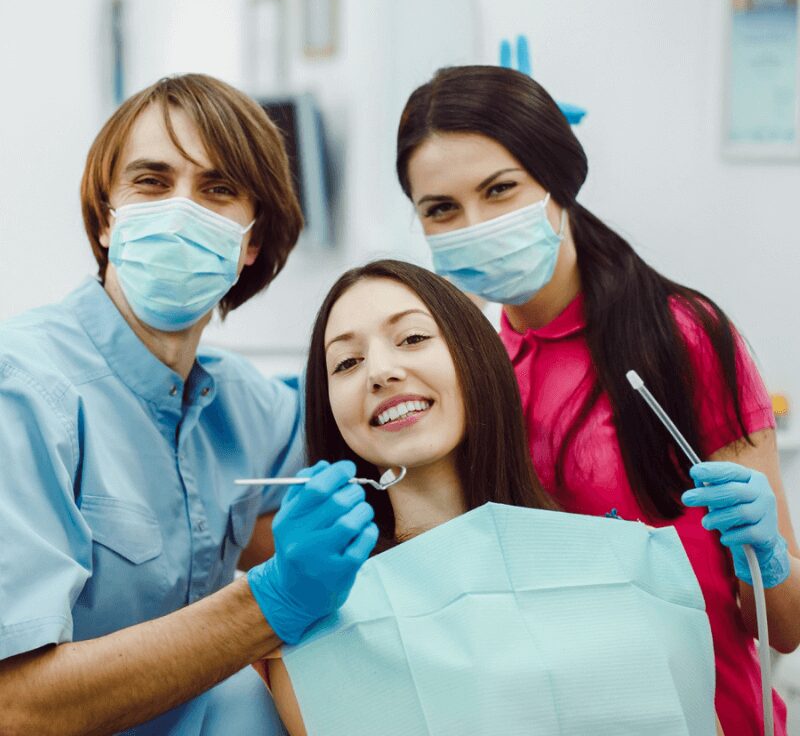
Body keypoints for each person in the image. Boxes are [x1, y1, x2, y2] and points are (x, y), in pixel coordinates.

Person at [394, 65, 800, 735]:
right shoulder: (475, 372)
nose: (477, 224)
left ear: (558, 182)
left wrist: (770, 557)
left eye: (500, 189)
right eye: (442, 209)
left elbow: (786, 628)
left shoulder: (683, 338)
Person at [0, 73, 377, 735]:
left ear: (250, 244)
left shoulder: (249, 406)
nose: (182, 210)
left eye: (217, 189)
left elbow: (335, 532)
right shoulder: (26, 390)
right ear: (107, 220)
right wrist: (269, 604)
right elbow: (15, 705)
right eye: (151, 181)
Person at [262, 259, 723, 736]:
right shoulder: (319, 614)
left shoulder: (622, 562)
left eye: (413, 338)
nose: (380, 371)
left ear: (475, 355)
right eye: (346, 362)